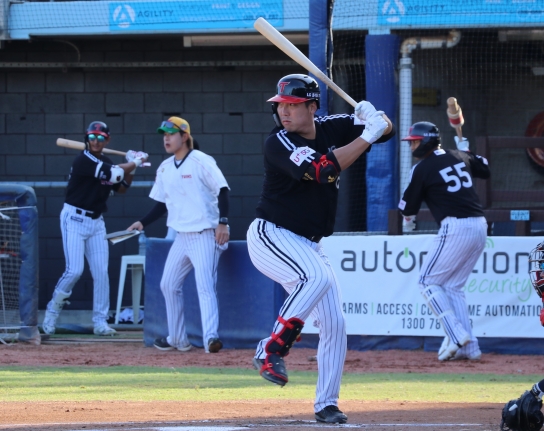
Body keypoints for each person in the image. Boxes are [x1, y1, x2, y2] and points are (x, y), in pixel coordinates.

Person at [246, 73, 395, 424]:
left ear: (312, 106)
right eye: (281, 105)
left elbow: (387, 129)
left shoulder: (331, 125)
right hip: (272, 235)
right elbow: (324, 170)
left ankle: (326, 403)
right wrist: (368, 134)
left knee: (335, 323)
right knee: (313, 278)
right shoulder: (278, 142)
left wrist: (375, 119)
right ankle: (271, 348)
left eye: (294, 105)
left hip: (309, 243)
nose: (284, 111)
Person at [127, 116, 230, 354]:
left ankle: (211, 338)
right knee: (168, 284)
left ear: (184, 137)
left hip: (205, 233)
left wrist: (223, 223)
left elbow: (223, 189)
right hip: (181, 236)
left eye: (171, 133)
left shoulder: (201, 160)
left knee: (205, 285)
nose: (166, 138)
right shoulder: (164, 167)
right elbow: (163, 204)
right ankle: (178, 339)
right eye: (164, 134)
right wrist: (142, 223)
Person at [42, 121, 148, 336]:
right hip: (74, 218)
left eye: (100, 138)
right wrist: (135, 162)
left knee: (101, 272)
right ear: (86, 139)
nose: (96, 141)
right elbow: (115, 174)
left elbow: (122, 187)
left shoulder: (107, 161)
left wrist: (132, 167)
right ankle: (51, 313)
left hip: (96, 222)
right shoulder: (84, 160)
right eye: (92, 137)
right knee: (74, 270)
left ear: (107, 140)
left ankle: (100, 322)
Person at [398, 122, 490, 361]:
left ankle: (457, 334)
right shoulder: (458, 155)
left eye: (415, 141)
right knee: (453, 287)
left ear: (427, 141)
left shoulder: (422, 168)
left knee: (426, 282)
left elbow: (408, 207)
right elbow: (485, 168)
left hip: (456, 226)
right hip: (480, 225)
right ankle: (470, 349)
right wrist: (466, 151)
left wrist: (406, 217)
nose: (412, 146)